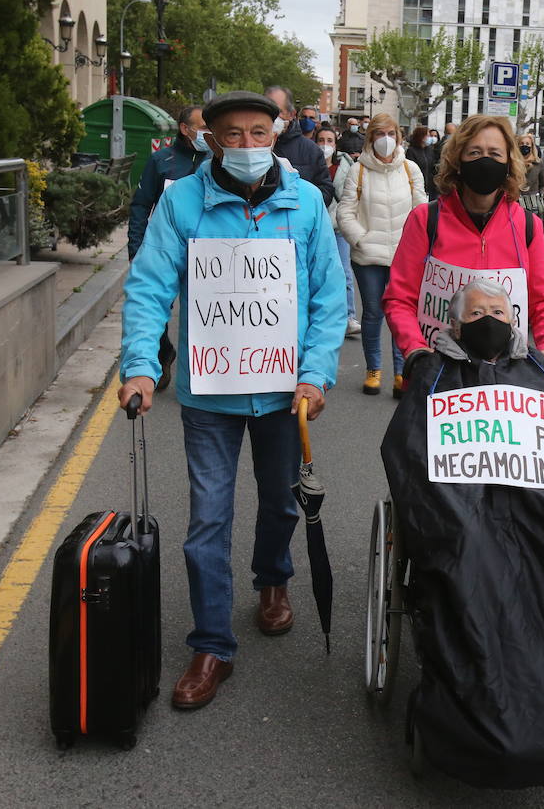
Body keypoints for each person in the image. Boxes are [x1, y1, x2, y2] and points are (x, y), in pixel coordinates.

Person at [117, 91, 344, 709]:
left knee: (280, 503)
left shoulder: (305, 205)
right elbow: (149, 286)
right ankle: (212, 644)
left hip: (282, 391)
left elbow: (329, 296)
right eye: (233, 135)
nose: (247, 146)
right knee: (207, 521)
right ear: (211, 140)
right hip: (209, 393)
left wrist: (317, 374)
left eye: (258, 133)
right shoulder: (181, 202)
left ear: (279, 133)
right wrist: (140, 365)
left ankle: (273, 580)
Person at [381, 279, 544, 786]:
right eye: (477, 313)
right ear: (454, 324)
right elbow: (409, 454)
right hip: (466, 505)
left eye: (498, 310)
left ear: (513, 318)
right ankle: (474, 713)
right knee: (472, 558)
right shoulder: (435, 373)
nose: (489, 321)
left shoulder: (541, 370)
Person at [384, 113, 544, 375]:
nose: (485, 161)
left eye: (495, 154)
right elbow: (399, 298)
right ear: (458, 160)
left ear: (508, 163)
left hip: (506, 378)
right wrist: (415, 350)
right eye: (475, 152)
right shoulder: (425, 220)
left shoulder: (528, 227)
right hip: (437, 372)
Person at [337, 112, 428, 398]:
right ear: (370, 137)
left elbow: (421, 211)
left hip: (404, 256)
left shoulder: (410, 169)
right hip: (368, 258)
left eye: (390, 134)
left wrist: (417, 246)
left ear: (399, 137)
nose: (385, 140)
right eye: (379, 134)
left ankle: (402, 372)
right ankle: (373, 370)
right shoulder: (358, 170)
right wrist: (360, 240)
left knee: (402, 314)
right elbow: (345, 212)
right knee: (374, 313)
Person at [127, 104, 210, 392]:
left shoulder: (217, 162)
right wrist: (135, 248)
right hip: (164, 250)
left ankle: (204, 368)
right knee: (157, 306)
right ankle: (162, 354)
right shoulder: (162, 161)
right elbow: (140, 205)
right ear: (185, 129)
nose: (206, 133)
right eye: (201, 127)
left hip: (206, 255)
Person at [316, 127, 360, 339]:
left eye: (330, 140)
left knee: (344, 271)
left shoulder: (345, 166)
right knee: (319, 273)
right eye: (321, 140)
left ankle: (349, 316)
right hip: (317, 227)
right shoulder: (312, 166)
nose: (325, 144)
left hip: (338, 226)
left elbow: (348, 197)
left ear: (336, 144)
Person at [264, 85, 335, 205]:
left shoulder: (311, 150)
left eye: (278, 111)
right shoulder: (249, 146)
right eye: (266, 110)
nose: (272, 116)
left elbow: (326, 192)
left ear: (291, 114)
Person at [404, 126, 439, 201]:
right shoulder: (411, 151)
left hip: (430, 187)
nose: (430, 138)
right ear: (421, 136)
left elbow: (432, 165)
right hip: (418, 186)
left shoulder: (429, 149)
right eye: (428, 135)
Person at [518, 132, 544, 215]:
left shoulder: (538, 163)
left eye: (527, 144)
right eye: (522, 143)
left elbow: (543, 183)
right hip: (516, 201)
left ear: (532, 146)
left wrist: (542, 197)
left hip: (533, 202)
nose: (524, 146)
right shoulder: (513, 162)